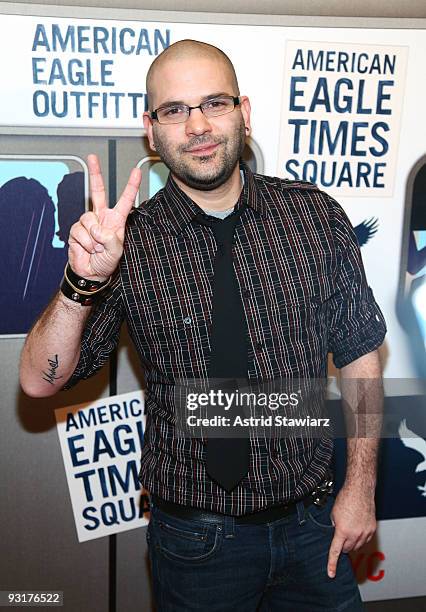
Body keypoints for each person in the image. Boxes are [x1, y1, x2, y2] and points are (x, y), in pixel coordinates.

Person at [20, 39, 386, 611]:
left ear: (243, 110)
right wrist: (80, 284)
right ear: (151, 129)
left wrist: (360, 489)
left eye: (214, 103)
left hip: (315, 528)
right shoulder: (130, 243)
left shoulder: (315, 217)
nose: (197, 125)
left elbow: (361, 353)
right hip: (196, 545)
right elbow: (39, 382)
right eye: (174, 109)